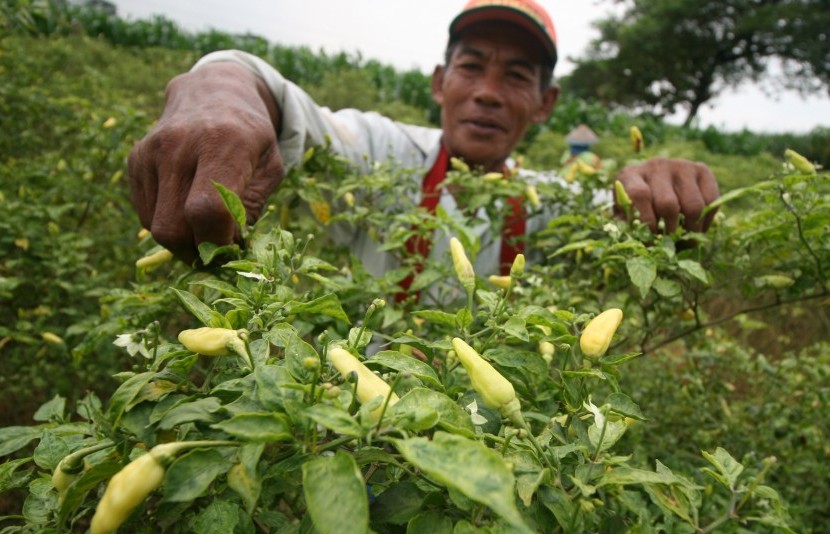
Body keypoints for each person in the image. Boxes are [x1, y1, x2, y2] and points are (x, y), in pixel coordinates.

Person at [128, 0, 719, 282]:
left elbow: (623, 215)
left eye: (516, 76)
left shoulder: (549, 204)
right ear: (439, 83)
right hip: (370, 437)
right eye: (471, 68)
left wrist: (659, 186)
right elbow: (293, 111)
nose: (488, 93)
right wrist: (226, 81)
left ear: (546, 104)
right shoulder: (381, 153)